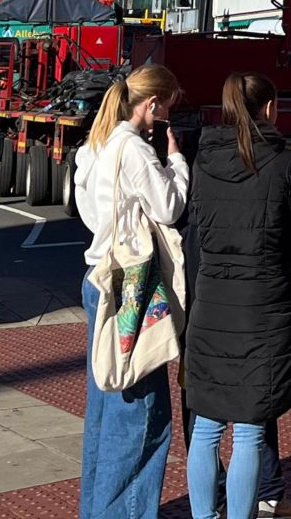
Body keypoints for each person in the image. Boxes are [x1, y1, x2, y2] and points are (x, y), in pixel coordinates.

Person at [183, 73, 291, 519]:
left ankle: (204, 516)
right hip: (261, 307)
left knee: (204, 425)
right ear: (268, 109)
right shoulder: (282, 164)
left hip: (210, 303)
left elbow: (195, 227)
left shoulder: (203, 162)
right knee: (249, 430)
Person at [76, 63, 190, 519]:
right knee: (142, 415)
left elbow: (87, 210)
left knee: (104, 404)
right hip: (132, 288)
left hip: (97, 277)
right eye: (167, 107)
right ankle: (125, 512)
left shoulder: (96, 145)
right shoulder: (136, 151)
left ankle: (95, 508)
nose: (165, 117)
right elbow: (169, 207)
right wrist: (177, 162)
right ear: (152, 104)